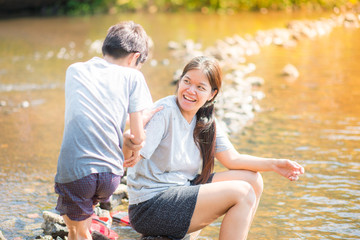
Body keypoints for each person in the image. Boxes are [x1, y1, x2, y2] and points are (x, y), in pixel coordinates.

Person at [123, 56, 305, 240]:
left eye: (200, 87)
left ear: (212, 94)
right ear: (179, 81)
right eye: (186, 82)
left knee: (253, 180)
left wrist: (275, 164)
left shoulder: (204, 120)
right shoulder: (165, 110)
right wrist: (130, 141)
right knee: (243, 193)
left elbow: (233, 159)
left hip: (181, 191)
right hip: (150, 207)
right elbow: (131, 158)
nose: (190, 91)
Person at [54, 21, 158, 240]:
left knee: (76, 230)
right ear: (134, 57)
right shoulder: (133, 76)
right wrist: (133, 146)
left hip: (76, 173)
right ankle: (98, 216)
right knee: (86, 213)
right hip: (111, 175)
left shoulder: (74, 70)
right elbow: (138, 136)